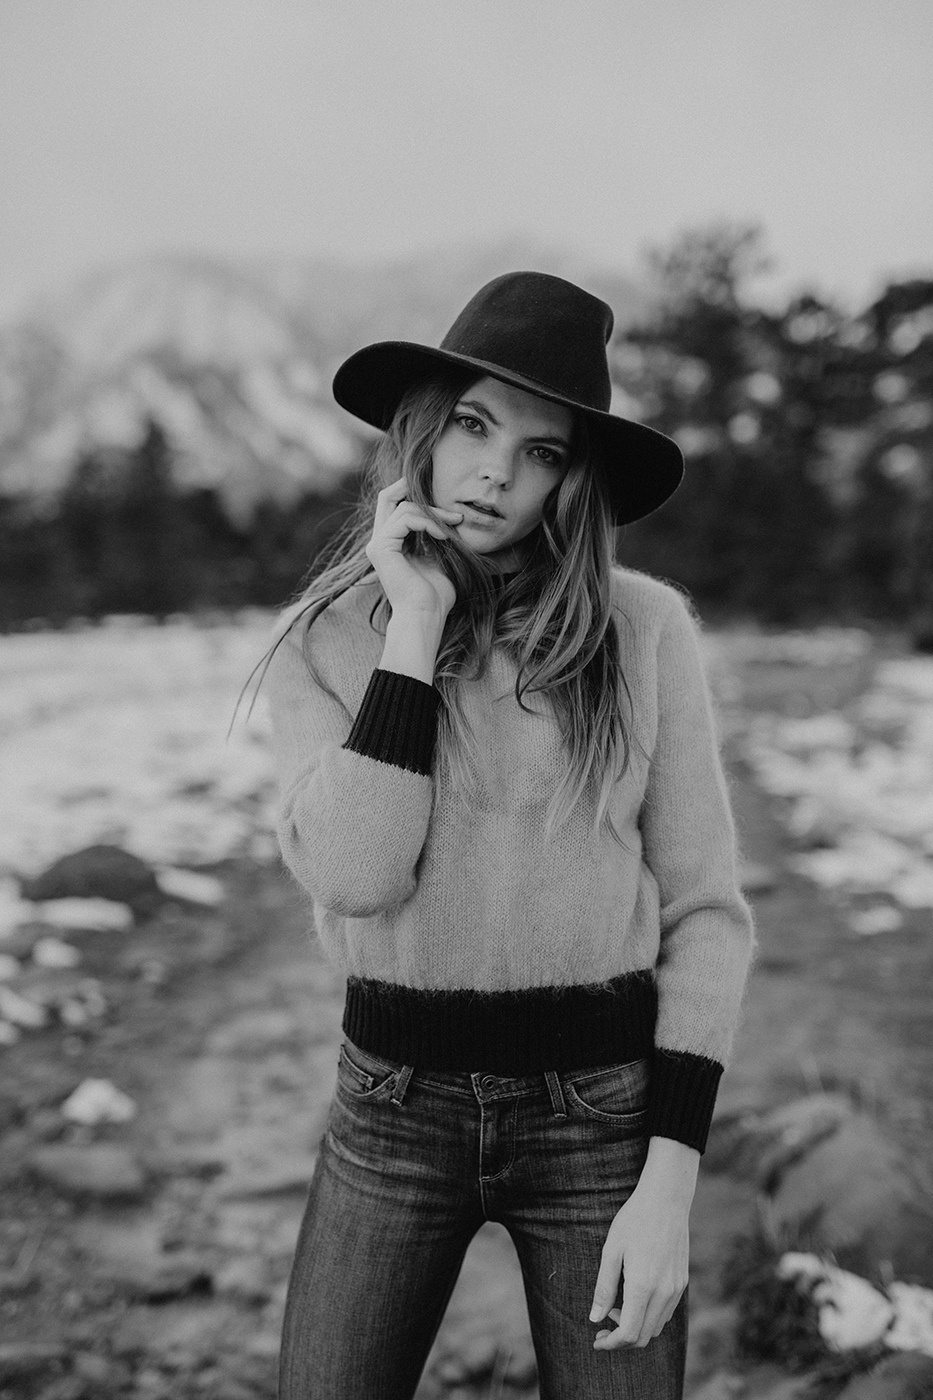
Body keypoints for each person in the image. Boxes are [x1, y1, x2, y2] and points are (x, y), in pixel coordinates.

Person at [264, 271, 754, 1400]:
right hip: (390, 1109)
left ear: (572, 477)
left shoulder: (644, 631)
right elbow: (355, 872)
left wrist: (671, 1176)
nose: (495, 471)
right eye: (477, 426)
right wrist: (417, 631)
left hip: (599, 1117)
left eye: (541, 450)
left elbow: (705, 911)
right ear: (425, 434)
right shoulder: (330, 636)